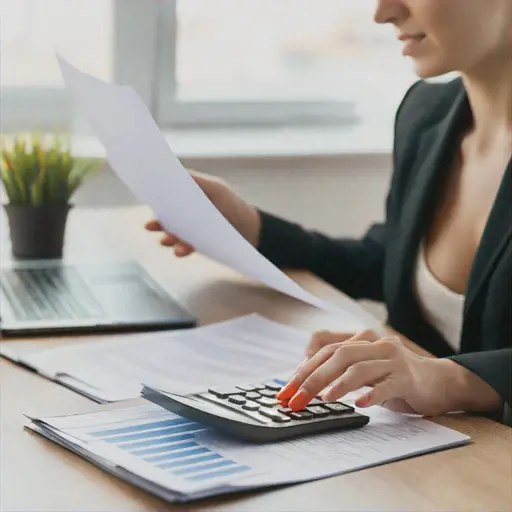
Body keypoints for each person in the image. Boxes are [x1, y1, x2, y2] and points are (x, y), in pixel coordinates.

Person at [146, 0, 512, 423]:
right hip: (432, 456)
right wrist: (251, 229)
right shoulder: (427, 115)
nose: (383, 12)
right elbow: (387, 260)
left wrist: (452, 379)